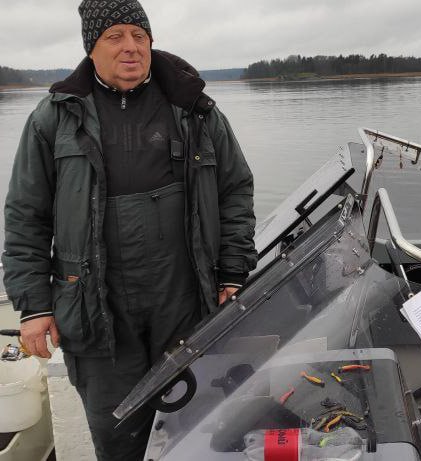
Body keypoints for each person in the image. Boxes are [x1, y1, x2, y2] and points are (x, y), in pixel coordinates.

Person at [2, 1, 256, 459]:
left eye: (139, 36)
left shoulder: (194, 109)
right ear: (91, 47)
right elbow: (26, 217)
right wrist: (34, 306)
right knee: (116, 430)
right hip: (95, 309)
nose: (131, 47)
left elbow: (234, 190)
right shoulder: (54, 118)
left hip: (183, 299)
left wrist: (233, 272)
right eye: (115, 37)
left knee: (197, 427)